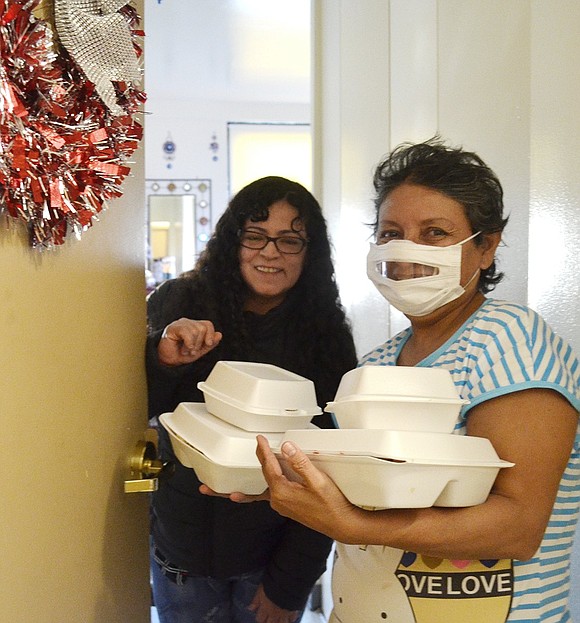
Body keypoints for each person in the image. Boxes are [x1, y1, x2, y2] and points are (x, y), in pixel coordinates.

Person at [223, 140, 580, 622]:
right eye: (391, 233)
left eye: (434, 232)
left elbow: (519, 526)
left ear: (486, 247)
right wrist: (284, 484)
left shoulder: (509, 340)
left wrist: (354, 525)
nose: (407, 250)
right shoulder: (376, 365)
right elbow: (369, 484)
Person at [146, 175, 358, 623]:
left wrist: (291, 580)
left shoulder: (327, 337)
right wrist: (164, 357)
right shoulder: (179, 302)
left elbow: (330, 462)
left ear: (310, 252)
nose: (270, 252)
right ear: (232, 240)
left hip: (271, 556)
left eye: (289, 240)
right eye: (255, 236)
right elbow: (136, 409)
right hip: (181, 550)